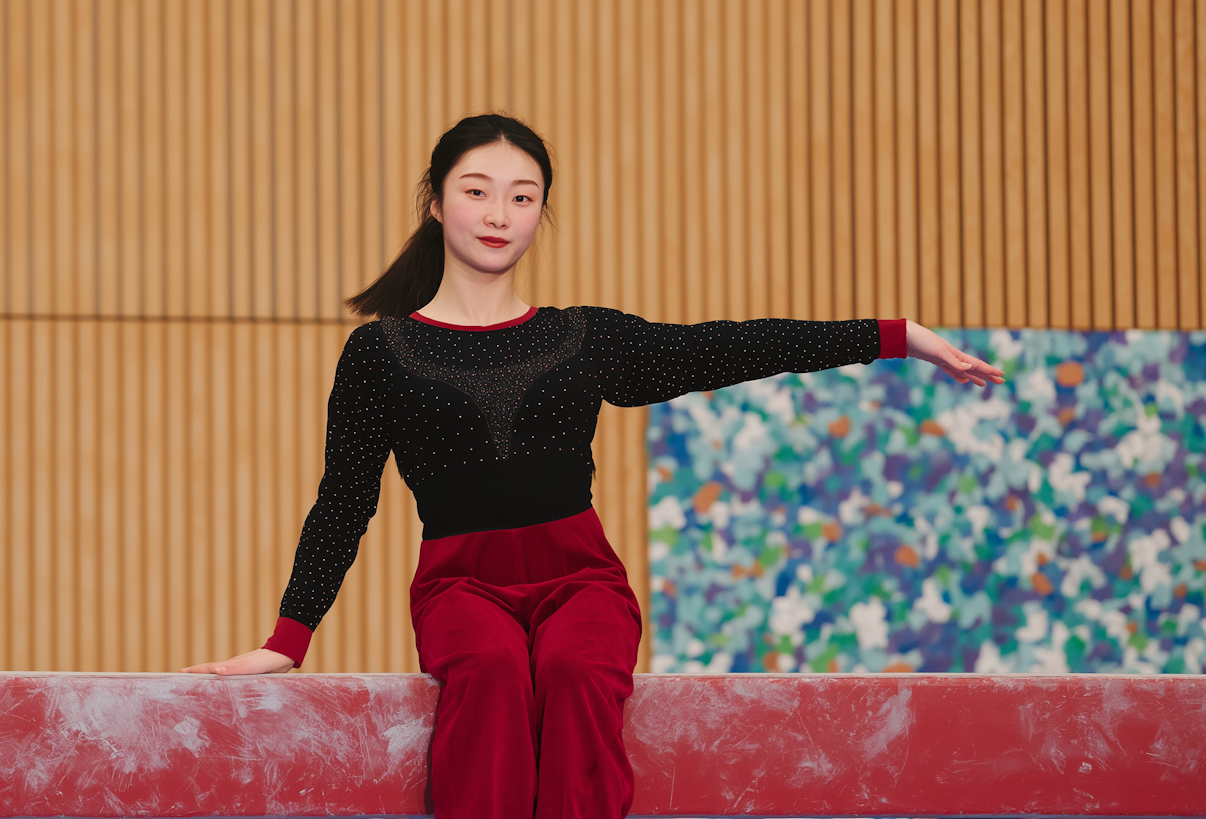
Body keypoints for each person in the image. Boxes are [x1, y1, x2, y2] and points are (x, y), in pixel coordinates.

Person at [182, 113, 1005, 818]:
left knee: (575, 669)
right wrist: (288, 641)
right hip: (460, 587)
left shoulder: (583, 337)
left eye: (522, 197)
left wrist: (894, 337)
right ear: (435, 201)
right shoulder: (381, 353)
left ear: (541, 213)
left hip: (581, 579)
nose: (498, 214)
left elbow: (725, 346)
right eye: (477, 191)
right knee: (492, 673)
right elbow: (344, 501)